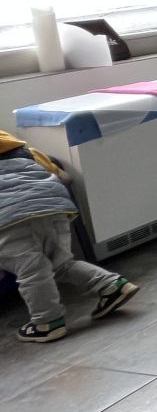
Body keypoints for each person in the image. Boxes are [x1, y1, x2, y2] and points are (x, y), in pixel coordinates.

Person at [0, 130, 138, 342]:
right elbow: (65, 178)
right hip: (55, 209)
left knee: (32, 271)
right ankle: (112, 285)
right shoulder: (29, 152)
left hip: (11, 220)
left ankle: (47, 323)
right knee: (61, 263)